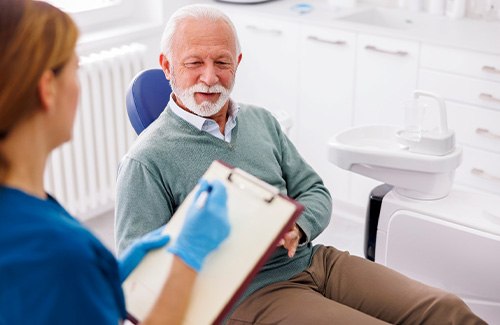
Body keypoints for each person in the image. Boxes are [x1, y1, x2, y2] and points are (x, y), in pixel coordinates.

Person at [115, 4, 486, 325]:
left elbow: (315, 190)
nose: (210, 78)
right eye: (194, 63)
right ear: (167, 66)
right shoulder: (146, 160)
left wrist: (299, 228)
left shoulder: (261, 122)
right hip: (251, 294)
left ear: (238, 64)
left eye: (222, 62)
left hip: (315, 261)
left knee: (446, 309)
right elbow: (141, 285)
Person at [0, 1, 230, 324]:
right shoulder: (56, 254)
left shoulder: (25, 210)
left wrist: (106, 277)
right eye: (75, 69)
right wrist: (188, 258)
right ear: (47, 89)